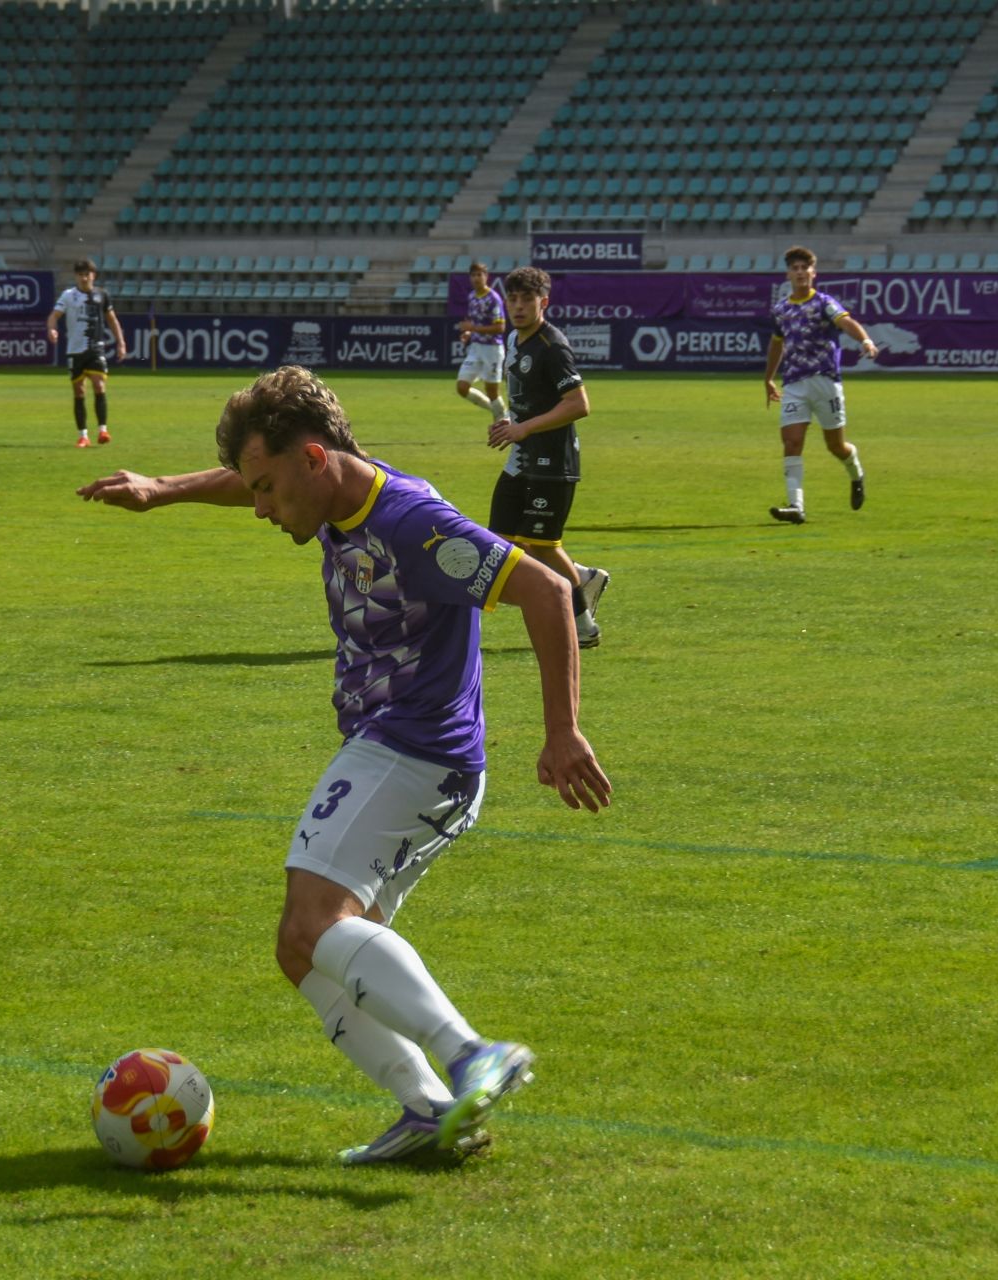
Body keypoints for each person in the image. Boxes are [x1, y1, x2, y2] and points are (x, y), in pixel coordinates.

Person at [78, 366, 610, 1165]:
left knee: (314, 920)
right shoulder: (329, 490)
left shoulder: (412, 523)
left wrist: (563, 731)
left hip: (415, 746)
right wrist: (164, 488)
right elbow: (248, 477)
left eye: (266, 487)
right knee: (304, 947)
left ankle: (472, 1056)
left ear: (315, 459)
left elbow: (541, 590)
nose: (259, 506)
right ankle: (431, 1109)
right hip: (406, 750)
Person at [488, 266, 607, 649]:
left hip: (552, 463)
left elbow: (579, 404)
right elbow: (528, 398)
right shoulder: (516, 339)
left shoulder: (552, 346)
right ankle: (582, 577)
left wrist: (524, 428)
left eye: (527, 299)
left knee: (541, 547)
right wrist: (510, 422)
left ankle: (584, 627)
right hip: (521, 459)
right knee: (501, 544)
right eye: (513, 298)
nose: (518, 306)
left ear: (544, 302)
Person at [762, 245, 876, 524]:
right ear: (788, 274)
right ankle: (796, 506)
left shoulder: (823, 302)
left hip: (825, 382)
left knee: (836, 446)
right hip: (794, 385)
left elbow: (846, 322)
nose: (800, 272)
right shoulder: (781, 310)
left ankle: (855, 472)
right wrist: (768, 378)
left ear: (813, 273)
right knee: (791, 442)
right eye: (795, 268)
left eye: (805, 268)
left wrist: (864, 340)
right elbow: (777, 344)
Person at [46, 258, 126, 447]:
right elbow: (53, 316)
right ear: (76, 276)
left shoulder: (102, 295)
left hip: (95, 348)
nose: (84, 278)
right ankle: (83, 435)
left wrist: (121, 343)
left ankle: (103, 431)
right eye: (80, 274)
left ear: (93, 275)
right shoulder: (68, 296)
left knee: (99, 385)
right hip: (75, 351)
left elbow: (112, 320)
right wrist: (52, 329)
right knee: (79, 390)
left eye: (87, 274)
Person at [454, 261, 507, 422]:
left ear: (486, 277)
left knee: (492, 391)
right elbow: (475, 322)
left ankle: (502, 420)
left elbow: (501, 327)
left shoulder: (493, 298)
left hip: (492, 349)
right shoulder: (472, 297)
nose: (476, 278)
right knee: (462, 387)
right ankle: (499, 412)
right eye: (473, 275)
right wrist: (469, 332)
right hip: (476, 348)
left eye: (480, 275)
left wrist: (474, 328)